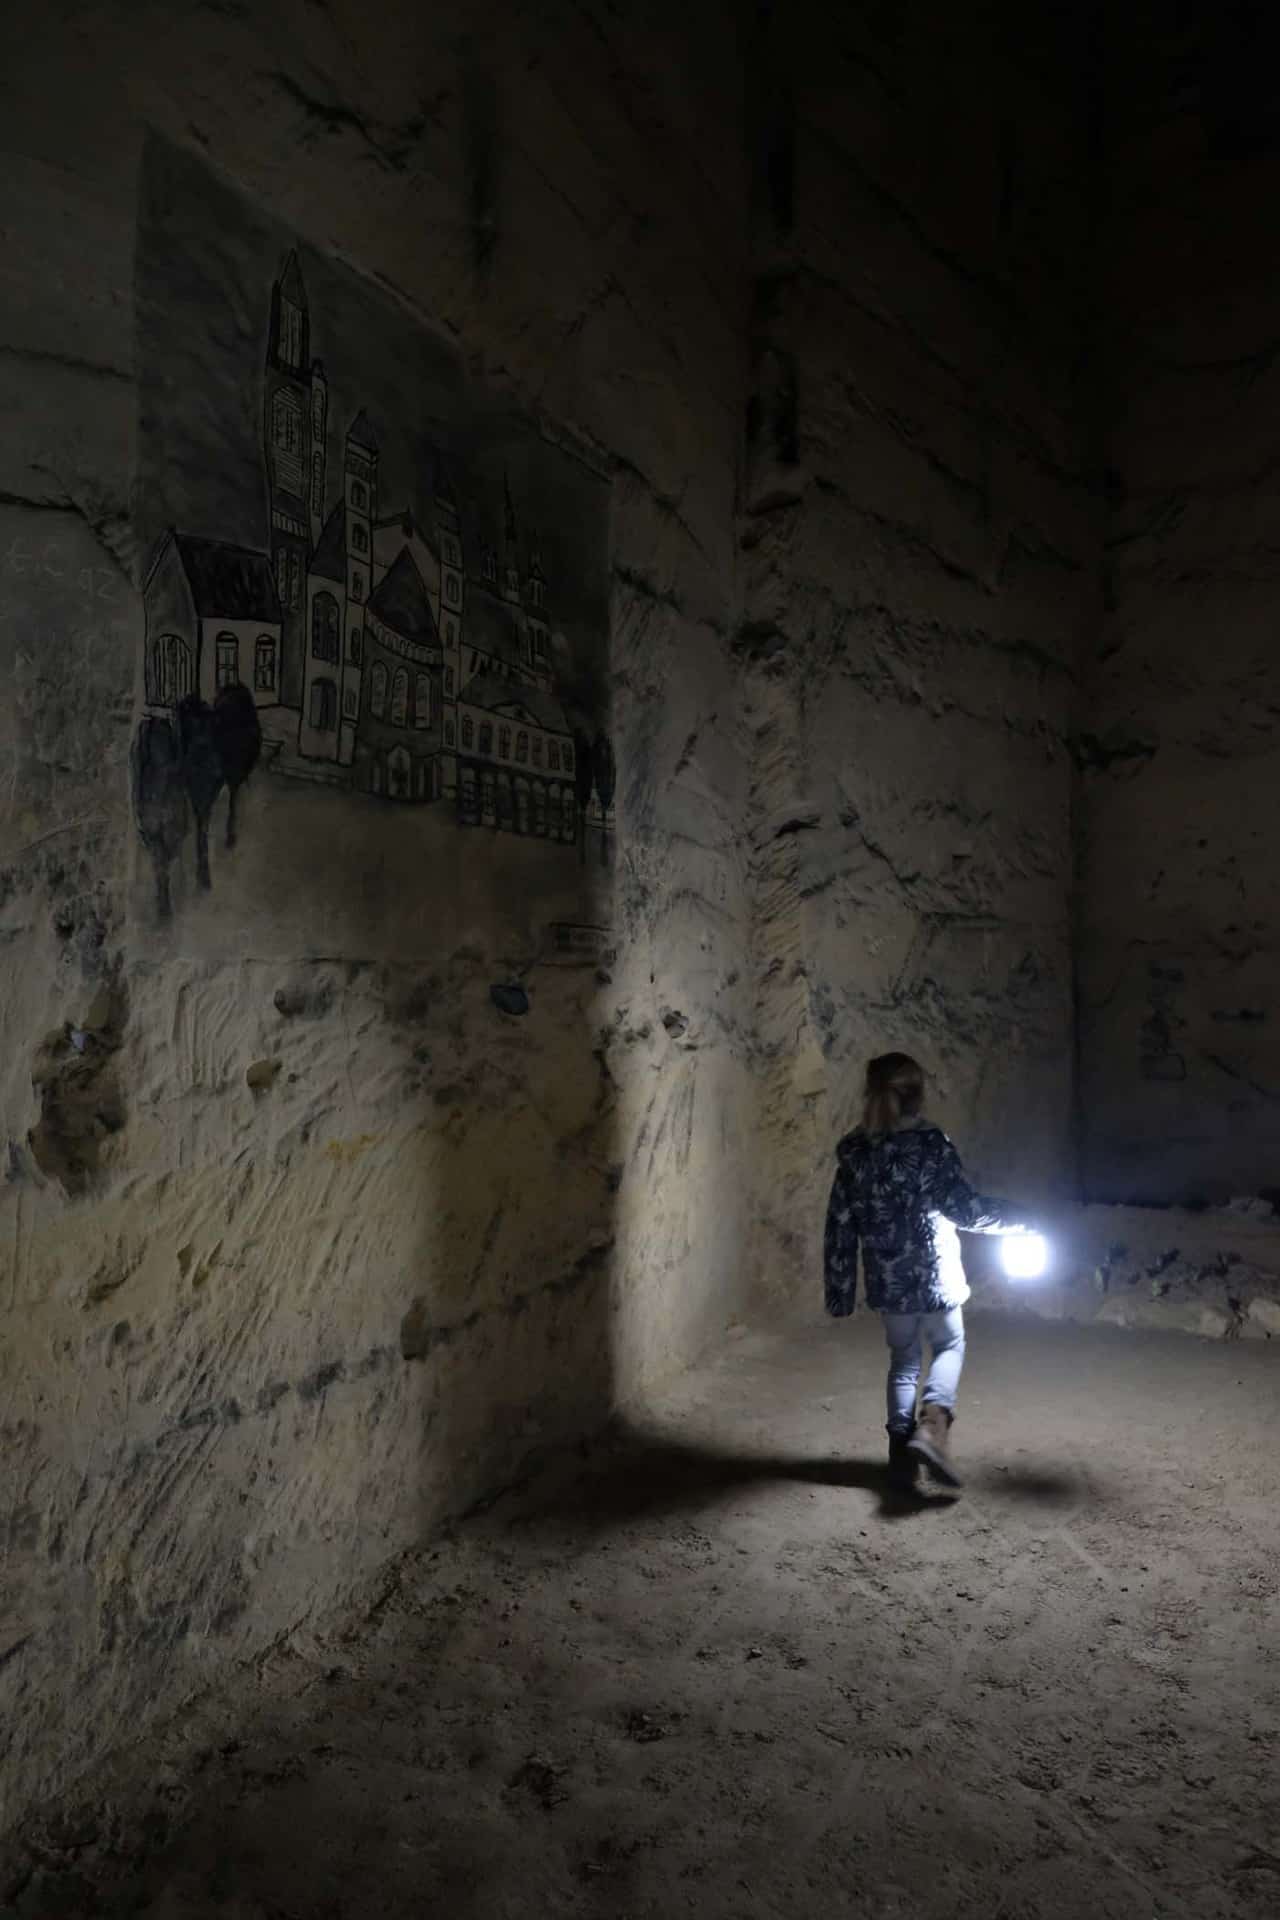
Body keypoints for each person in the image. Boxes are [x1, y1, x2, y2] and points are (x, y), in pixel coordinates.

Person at [823, 1051, 1032, 1491]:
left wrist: (840, 1293)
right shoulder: (931, 1145)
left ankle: (900, 1455)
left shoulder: (855, 1153)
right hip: (934, 1273)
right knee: (949, 1345)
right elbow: (964, 1208)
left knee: (902, 1362)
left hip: (888, 1279)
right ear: (918, 1096)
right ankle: (933, 1428)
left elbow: (840, 1225)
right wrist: (1021, 1219)